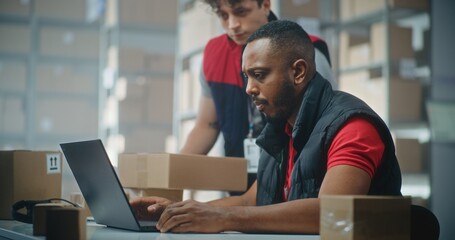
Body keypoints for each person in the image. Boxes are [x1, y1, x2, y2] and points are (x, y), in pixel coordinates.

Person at [131, 20, 402, 234]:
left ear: (298, 72)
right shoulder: (280, 128)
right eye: (246, 77)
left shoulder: (352, 126)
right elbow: (251, 201)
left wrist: (222, 217)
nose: (249, 88)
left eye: (259, 75)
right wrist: (177, 212)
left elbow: (331, 213)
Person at [180, 0, 336, 194]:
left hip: (293, 188)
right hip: (241, 188)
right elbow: (206, 126)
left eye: (241, 12)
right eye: (223, 15)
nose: (232, 24)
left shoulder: (305, 50)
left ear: (265, 5)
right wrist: (169, 175)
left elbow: (323, 131)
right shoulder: (213, 55)